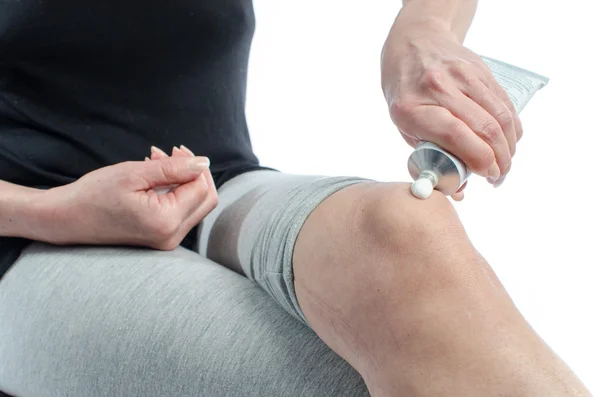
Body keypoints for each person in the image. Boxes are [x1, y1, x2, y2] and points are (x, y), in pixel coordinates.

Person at [0, 0, 592, 395]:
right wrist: (57, 210)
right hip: (30, 229)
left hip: (219, 180)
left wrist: (423, 32)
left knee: (401, 232)